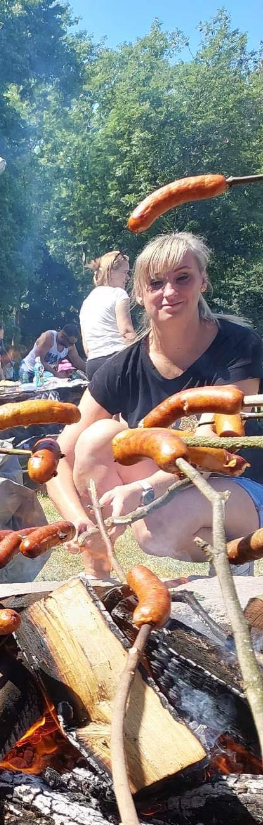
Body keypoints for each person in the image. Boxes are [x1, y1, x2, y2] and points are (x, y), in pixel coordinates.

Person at [46, 231, 263, 577]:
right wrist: (77, 518)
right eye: (156, 282)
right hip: (175, 488)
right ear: (138, 293)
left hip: (245, 488)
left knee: (156, 524)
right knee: (98, 437)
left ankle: (234, 568)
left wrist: (142, 490)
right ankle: (98, 576)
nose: (170, 292)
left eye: (183, 278)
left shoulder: (238, 345)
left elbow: (214, 452)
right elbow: (57, 455)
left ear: (203, 281)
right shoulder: (124, 365)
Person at [79, 250, 135, 382]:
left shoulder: (87, 302)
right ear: (111, 271)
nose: (128, 278)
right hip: (117, 361)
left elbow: (86, 348)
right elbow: (126, 331)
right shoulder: (118, 294)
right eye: (125, 273)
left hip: (93, 365)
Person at [20, 323, 86, 380]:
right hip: (28, 369)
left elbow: (78, 362)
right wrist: (56, 374)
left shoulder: (70, 346)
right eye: (70, 343)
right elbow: (39, 360)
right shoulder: (49, 337)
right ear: (62, 336)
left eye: (73, 343)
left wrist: (92, 371)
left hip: (43, 374)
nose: (71, 345)